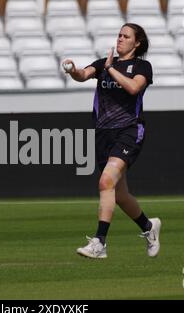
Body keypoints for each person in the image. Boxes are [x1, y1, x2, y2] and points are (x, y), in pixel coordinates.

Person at [63, 23, 161, 259]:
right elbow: (84, 75)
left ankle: (100, 242)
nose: (120, 39)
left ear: (136, 43)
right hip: (103, 134)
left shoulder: (141, 66)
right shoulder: (103, 63)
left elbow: (134, 88)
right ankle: (149, 227)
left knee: (106, 181)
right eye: (119, 35)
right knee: (119, 195)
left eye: (125, 36)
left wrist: (111, 69)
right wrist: (73, 70)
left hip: (129, 130)